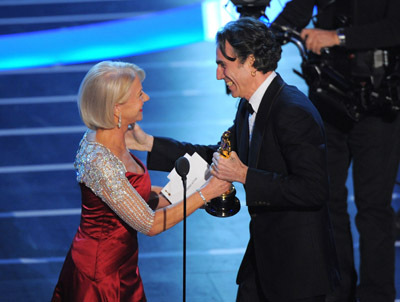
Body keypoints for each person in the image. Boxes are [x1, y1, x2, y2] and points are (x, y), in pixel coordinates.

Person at [126, 17, 340, 302]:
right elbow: (219, 157)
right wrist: (150, 144)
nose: (218, 75)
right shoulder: (250, 104)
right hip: (264, 259)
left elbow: (313, 189)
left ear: (250, 62)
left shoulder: (292, 111)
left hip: (296, 271)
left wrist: (244, 176)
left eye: (223, 64)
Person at [51, 61, 230, 302]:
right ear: (116, 109)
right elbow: (149, 224)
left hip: (123, 264)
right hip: (100, 278)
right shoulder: (100, 161)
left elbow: (132, 194)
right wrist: (206, 194)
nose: (146, 97)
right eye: (138, 94)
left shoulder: (116, 137)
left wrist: (187, 188)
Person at [273, 1, 400, 301]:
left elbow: (395, 27)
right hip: (328, 99)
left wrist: (338, 37)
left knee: (373, 209)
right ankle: (337, 290)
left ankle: (376, 295)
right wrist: (262, 35)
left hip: (378, 105)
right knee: (326, 199)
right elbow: (296, 12)